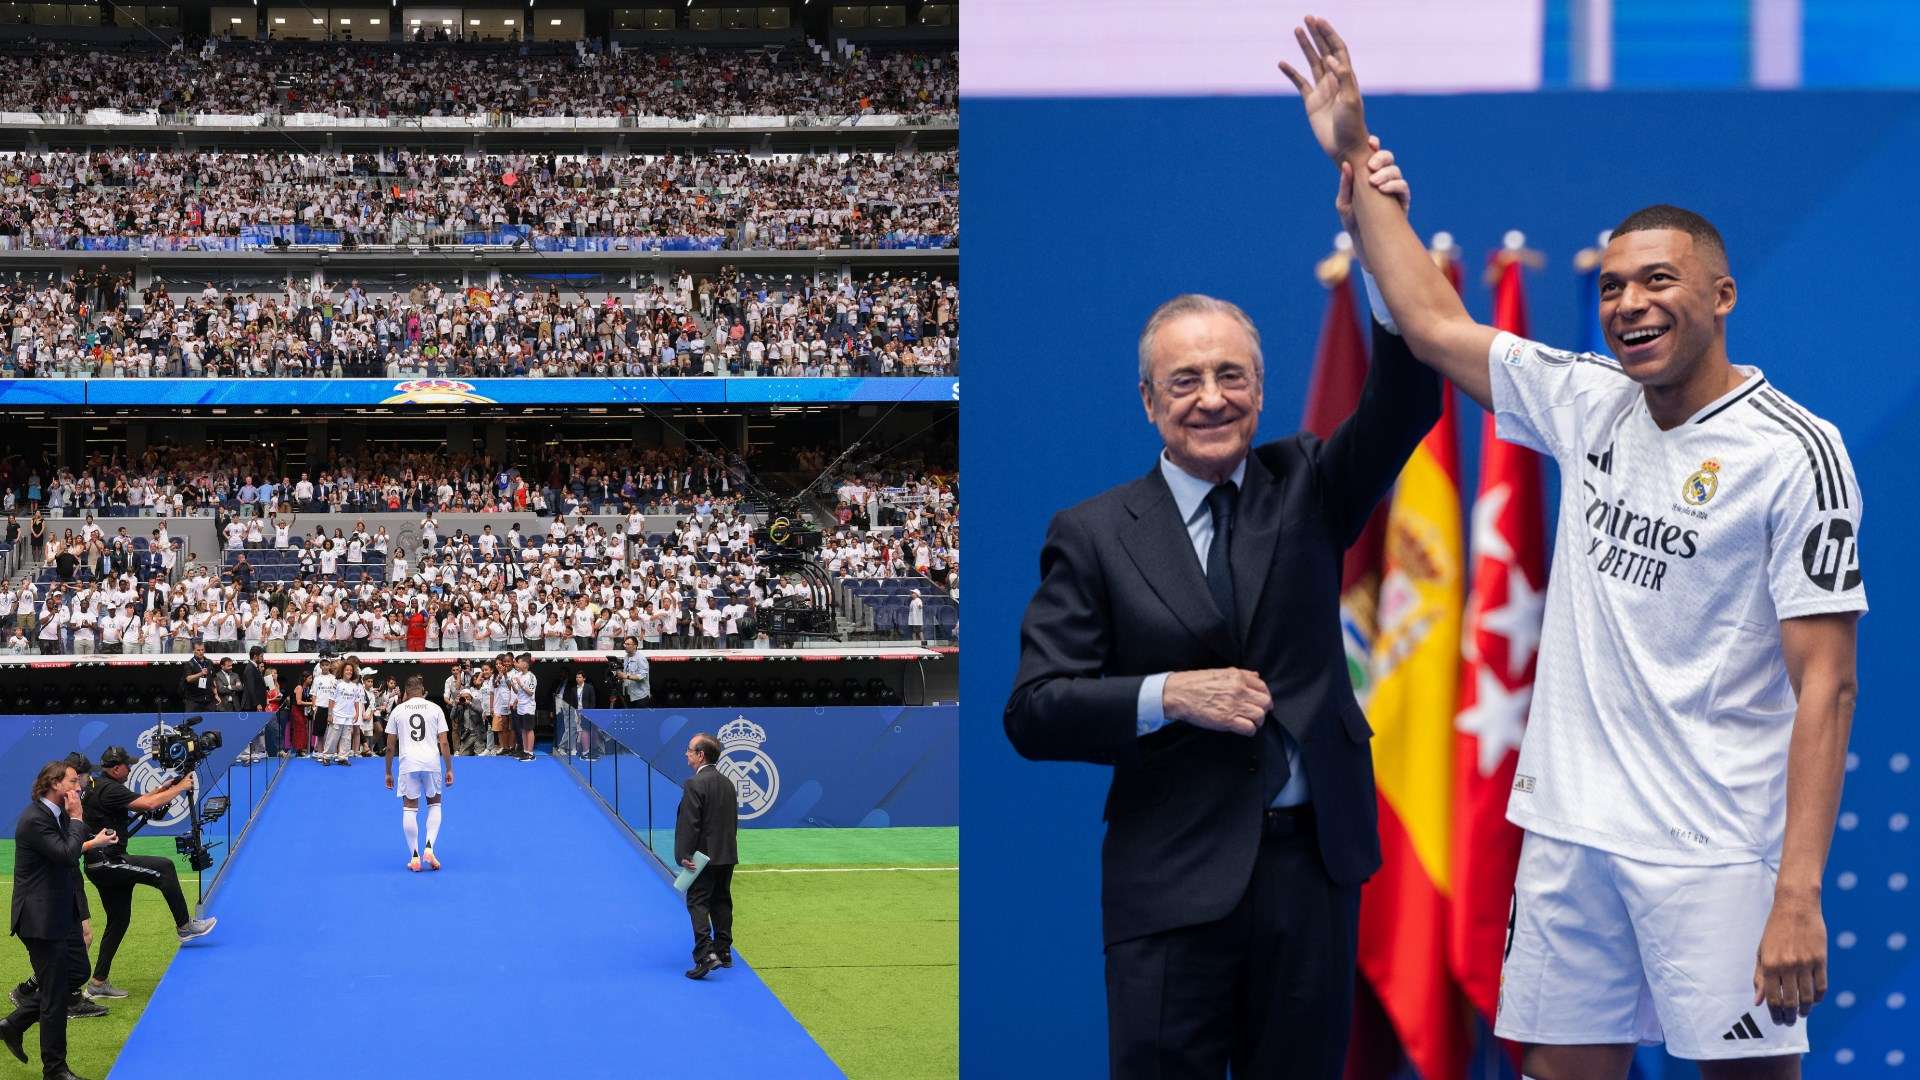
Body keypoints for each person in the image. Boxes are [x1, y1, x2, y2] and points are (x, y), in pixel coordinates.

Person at [1284, 17, 1865, 1075]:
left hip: (1714, 853)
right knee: (1555, 1069)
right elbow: (1429, 323)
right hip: (1568, 839)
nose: (1630, 304)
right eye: (1612, 286)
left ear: (1721, 297)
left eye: (1658, 282)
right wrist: (1354, 161)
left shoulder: (1797, 453)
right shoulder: (1587, 401)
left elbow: (1825, 688)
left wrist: (1797, 894)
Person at [1000, 162, 1434, 1074]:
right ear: (1150, 404)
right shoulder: (1091, 533)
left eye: (1230, 375)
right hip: (1169, 886)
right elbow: (1036, 710)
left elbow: (1407, 397)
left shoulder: (1308, 482)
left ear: (1262, 390)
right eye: (1185, 380)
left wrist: (1379, 234)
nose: (1211, 398)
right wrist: (1168, 695)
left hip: (1311, 878)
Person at [0, 760, 116, 1080]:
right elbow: (66, 854)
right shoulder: (34, 819)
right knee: (53, 995)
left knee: (78, 971)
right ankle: (55, 1070)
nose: (78, 787)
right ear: (54, 784)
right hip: (39, 919)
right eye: (73, 781)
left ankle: (16, 1022)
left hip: (61, 914)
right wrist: (78, 817)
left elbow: (70, 853)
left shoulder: (57, 815)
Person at [79, 747, 213, 1001]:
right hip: (108, 863)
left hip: (100, 864)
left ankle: (97, 982)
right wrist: (181, 787)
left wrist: (165, 788)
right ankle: (185, 926)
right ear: (116, 768)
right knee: (164, 867)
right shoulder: (110, 788)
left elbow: (142, 798)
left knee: (118, 921)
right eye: (127, 766)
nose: (130, 769)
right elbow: (147, 804)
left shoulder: (101, 784)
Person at [674, 733, 738, 981]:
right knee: (721, 900)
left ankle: (705, 954)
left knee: (697, 901)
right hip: (727, 853)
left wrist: (684, 855)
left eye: (689, 750)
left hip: (702, 857)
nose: (686, 754)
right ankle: (724, 951)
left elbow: (689, 824)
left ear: (701, 755)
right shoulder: (728, 783)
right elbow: (731, 822)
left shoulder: (694, 784)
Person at [384, 677, 453, 873]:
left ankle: (414, 856)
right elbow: (444, 742)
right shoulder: (435, 708)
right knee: (435, 804)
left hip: (408, 764)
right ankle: (429, 847)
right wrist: (449, 768)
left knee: (409, 808)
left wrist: (388, 772)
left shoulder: (398, 710)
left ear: (405, 692)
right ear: (423, 690)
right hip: (431, 763)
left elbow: (390, 747)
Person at [616, 636, 651, 705]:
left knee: (640, 715)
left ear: (635, 646)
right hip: (629, 694)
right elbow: (627, 673)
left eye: (628, 644)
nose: (625, 646)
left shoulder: (641, 658)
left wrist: (626, 676)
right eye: (625, 644)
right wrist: (621, 676)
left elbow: (642, 677)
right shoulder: (626, 657)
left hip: (640, 696)